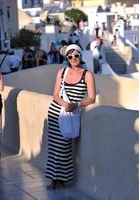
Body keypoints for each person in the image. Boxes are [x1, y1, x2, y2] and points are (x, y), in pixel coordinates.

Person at [45, 44, 96, 189]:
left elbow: (92, 98)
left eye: (76, 55)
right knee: (55, 147)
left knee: (64, 147)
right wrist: (65, 104)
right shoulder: (62, 72)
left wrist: (76, 105)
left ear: (81, 55)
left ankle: (61, 178)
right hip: (56, 112)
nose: (74, 59)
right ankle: (54, 179)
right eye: (70, 56)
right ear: (67, 58)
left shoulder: (88, 74)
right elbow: (55, 94)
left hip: (71, 113)